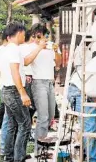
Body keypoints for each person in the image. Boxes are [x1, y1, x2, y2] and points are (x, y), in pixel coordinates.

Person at [24, 23, 62, 157]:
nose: (42, 37)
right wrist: (39, 47)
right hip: (38, 82)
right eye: (39, 35)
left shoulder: (50, 46)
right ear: (34, 35)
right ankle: (39, 151)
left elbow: (58, 65)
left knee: (51, 115)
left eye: (45, 35)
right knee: (43, 117)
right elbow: (26, 61)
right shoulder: (30, 47)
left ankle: (43, 145)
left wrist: (56, 51)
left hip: (50, 83)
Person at [0, 22, 31, 162]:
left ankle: (9, 157)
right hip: (13, 91)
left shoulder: (4, 49)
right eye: (24, 34)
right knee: (25, 124)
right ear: (18, 33)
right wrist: (23, 93)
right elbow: (15, 72)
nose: (24, 36)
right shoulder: (14, 49)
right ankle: (19, 158)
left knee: (12, 124)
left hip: (6, 90)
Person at [0, 29, 8, 158]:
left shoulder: (4, 50)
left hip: (5, 86)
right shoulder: (4, 50)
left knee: (7, 118)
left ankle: (6, 148)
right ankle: (4, 148)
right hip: (6, 87)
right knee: (7, 119)